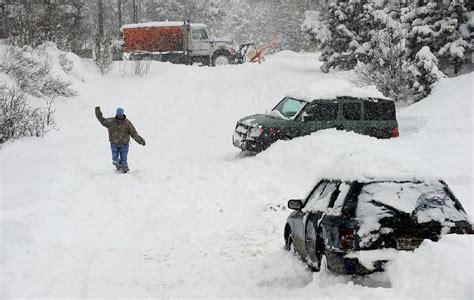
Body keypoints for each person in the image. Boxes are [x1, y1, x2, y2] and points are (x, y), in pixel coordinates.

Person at [95, 106, 145, 173]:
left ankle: (125, 171)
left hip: (124, 144)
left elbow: (133, 133)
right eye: (119, 115)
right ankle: (119, 167)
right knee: (115, 160)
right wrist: (98, 112)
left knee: (124, 161)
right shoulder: (111, 122)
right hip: (114, 144)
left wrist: (140, 140)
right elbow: (102, 120)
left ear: (123, 114)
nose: (120, 116)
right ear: (116, 114)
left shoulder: (127, 123)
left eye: (121, 115)